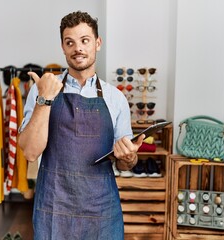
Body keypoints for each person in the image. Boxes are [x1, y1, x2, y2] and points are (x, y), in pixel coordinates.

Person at [18, 11, 144, 239]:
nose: (78, 48)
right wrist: (44, 100)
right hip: (54, 207)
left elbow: (126, 165)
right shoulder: (43, 91)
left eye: (85, 40)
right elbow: (29, 152)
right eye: (70, 42)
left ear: (97, 43)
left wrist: (128, 157)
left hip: (101, 210)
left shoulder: (115, 98)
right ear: (63, 47)